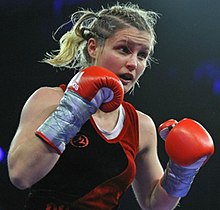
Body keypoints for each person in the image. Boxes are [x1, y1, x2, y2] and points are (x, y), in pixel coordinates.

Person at [7, 2, 214, 210]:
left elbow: (154, 205)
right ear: (93, 47)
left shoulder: (141, 126)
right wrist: (73, 108)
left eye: (142, 55)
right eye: (124, 49)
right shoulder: (49, 100)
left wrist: (182, 171)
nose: (134, 63)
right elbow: (20, 176)